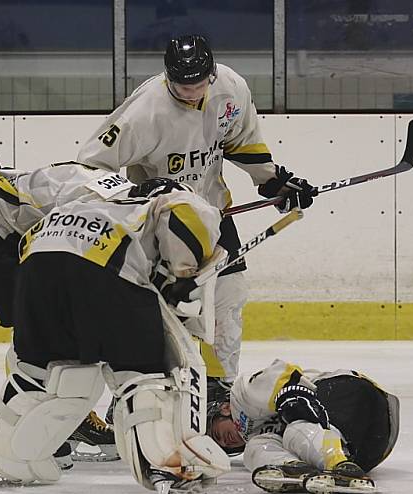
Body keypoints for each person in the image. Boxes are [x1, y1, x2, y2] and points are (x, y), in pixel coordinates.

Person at [77, 34, 318, 392]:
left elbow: (242, 140)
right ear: (167, 77)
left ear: (212, 72)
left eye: (198, 82)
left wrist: (273, 183)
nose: (191, 91)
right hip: (163, 227)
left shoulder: (231, 89)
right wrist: (138, 194)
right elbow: (90, 167)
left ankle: (219, 391)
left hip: (214, 213)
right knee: (171, 312)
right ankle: (148, 392)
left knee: (229, 298)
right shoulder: (145, 112)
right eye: (181, 84)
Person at [0, 179, 232, 494]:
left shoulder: (91, 198)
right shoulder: (173, 197)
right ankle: (170, 468)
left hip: (37, 263)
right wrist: (183, 275)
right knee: (145, 373)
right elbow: (187, 216)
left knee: (43, 372)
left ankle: (8, 462)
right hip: (106, 262)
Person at [0, 152, 134, 464]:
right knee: (36, 330)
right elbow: (47, 248)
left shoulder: (126, 205)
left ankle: (64, 419)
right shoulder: (98, 209)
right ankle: (21, 427)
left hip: (16, 222)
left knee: (60, 325)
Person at [207, 358, 400, 494]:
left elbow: (284, 375)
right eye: (224, 446)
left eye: (218, 434)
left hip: (355, 394)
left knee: (295, 428)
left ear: (223, 409)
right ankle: (293, 468)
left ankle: (336, 461)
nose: (226, 442)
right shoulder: (256, 437)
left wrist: (292, 401)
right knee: (257, 448)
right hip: (373, 449)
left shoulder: (242, 398)